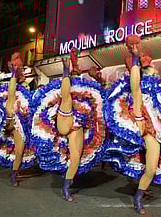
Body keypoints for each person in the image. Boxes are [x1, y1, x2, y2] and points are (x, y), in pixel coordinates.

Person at [102, 34, 161, 215]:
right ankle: (138, 197)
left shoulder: (156, 91)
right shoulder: (136, 90)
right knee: (151, 166)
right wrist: (136, 57)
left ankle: (142, 189)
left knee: (152, 166)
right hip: (142, 122)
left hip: (157, 125)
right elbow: (136, 84)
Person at [31, 48, 106, 202]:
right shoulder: (69, 91)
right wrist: (66, 70)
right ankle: (65, 71)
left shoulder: (83, 87)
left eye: (76, 71)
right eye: (75, 71)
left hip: (77, 124)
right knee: (67, 99)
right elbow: (66, 95)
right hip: (64, 118)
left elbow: (97, 95)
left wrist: (82, 69)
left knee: (76, 158)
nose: (77, 72)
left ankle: (66, 186)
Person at [0, 53, 36, 184]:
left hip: (21, 122)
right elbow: (11, 91)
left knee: (19, 151)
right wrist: (14, 74)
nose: (23, 76)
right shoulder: (11, 96)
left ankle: (14, 174)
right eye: (20, 75)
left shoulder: (26, 88)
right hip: (9, 119)